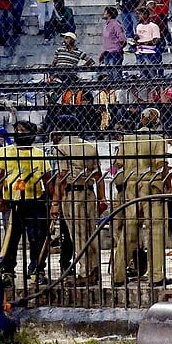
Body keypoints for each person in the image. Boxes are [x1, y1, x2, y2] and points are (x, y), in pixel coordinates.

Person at [111, 108, 172, 290]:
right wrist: (167, 185)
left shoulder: (127, 140)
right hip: (151, 184)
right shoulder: (158, 140)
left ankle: (118, 275)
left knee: (129, 230)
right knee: (156, 229)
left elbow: (116, 165)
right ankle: (156, 276)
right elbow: (161, 166)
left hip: (130, 185)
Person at [50, 116, 105, 286]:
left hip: (72, 194)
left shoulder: (61, 147)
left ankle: (85, 272)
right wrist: (102, 198)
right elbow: (98, 175)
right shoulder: (89, 146)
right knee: (92, 232)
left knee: (79, 235)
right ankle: (95, 269)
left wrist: (55, 203)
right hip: (89, 193)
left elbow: (62, 176)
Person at [0, 121, 51, 285]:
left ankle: (36, 270)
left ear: (32, 135)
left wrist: (51, 202)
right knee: (10, 239)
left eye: (24, 131)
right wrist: (0, 199)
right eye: (18, 130)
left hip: (34, 201)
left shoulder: (39, 153)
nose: (20, 133)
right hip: (11, 201)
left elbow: (47, 178)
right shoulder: (5, 152)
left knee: (37, 239)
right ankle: (8, 272)